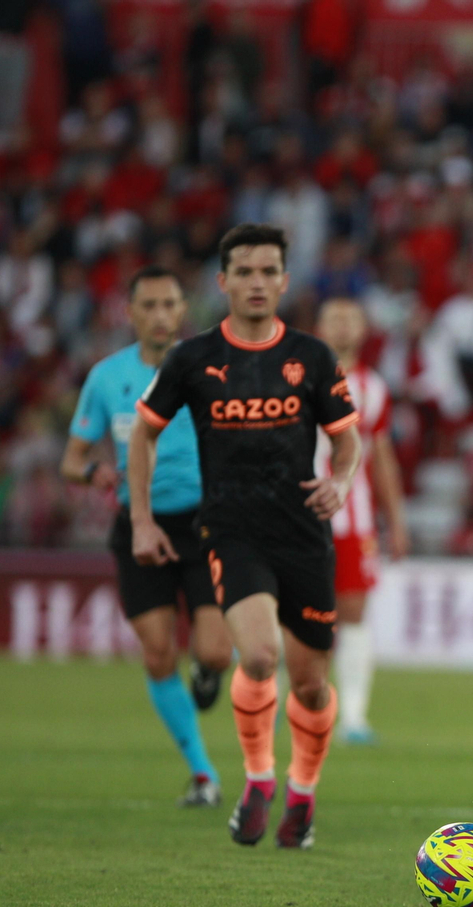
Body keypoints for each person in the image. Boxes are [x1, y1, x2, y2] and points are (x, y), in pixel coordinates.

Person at [129, 223, 362, 850]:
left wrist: (340, 482)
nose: (257, 282)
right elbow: (143, 433)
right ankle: (258, 780)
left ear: (284, 282)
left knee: (311, 682)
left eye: (268, 272)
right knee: (259, 657)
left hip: (303, 533)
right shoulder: (193, 358)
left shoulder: (312, 357)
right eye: (245, 271)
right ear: (223, 281)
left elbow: (347, 439)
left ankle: (302, 796)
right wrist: (143, 520)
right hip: (232, 532)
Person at [61, 265, 233, 808]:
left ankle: (208, 674)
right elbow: (71, 460)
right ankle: (203, 773)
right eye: (149, 306)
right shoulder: (106, 378)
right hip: (139, 523)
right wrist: (94, 474)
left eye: (169, 305)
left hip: (205, 523)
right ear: (130, 312)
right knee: (159, 653)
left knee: (214, 650)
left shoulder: (210, 369)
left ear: (183, 311)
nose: (160, 316)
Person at [313, 298, 409, 744]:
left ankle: (352, 716)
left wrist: (397, 520)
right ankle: (278, 700)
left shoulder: (375, 387)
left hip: (356, 517)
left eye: (352, 318)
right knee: (286, 609)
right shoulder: (298, 378)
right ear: (319, 326)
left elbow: (383, 458)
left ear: (365, 328)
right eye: (335, 317)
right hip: (301, 515)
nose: (344, 326)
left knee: (352, 612)